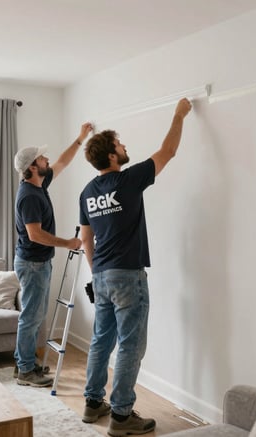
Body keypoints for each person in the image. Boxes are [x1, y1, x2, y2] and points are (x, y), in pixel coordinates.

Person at [79, 98, 192, 436]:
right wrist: (179, 114)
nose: (125, 146)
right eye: (120, 144)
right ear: (112, 155)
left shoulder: (87, 192)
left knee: (101, 341)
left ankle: (92, 402)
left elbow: (86, 239)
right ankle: (122, 416)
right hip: (127, 275)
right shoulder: (127, 181)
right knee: (130, 345)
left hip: (100, 273)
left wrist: (97, 272)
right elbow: (168, 151)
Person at [13, 122, 92, 387]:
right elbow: (35, 234)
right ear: (32, 167)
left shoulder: (40, 184)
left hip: (39, 262)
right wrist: (68, 242)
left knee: (36, 315)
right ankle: (25, 370)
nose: (47, 159)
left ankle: (25, 364)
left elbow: (62, 162)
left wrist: (80, 138)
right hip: (33, 264)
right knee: (32, 316)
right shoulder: (29, 196)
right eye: (41, 157)